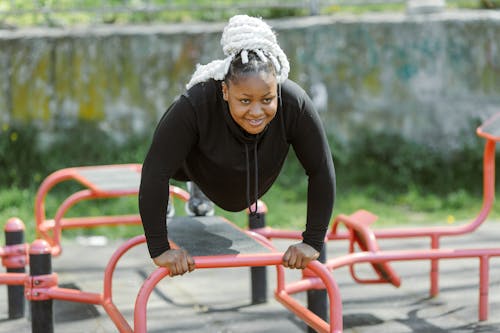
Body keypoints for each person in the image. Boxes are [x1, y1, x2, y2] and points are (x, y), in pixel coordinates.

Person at [139, 14, 336, 277]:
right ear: (225, 91)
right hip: (197, 161)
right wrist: (160, 248)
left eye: (266, 99)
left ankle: (202, 191)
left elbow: (321, 169)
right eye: (245, 100)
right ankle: (196, 188)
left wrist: (313, 241)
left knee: (264, 128)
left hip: (252, 167)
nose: (256, 111)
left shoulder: (294, 104)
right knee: (172, 158)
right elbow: (155, 171)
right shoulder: (195, 103)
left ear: (276, 89)